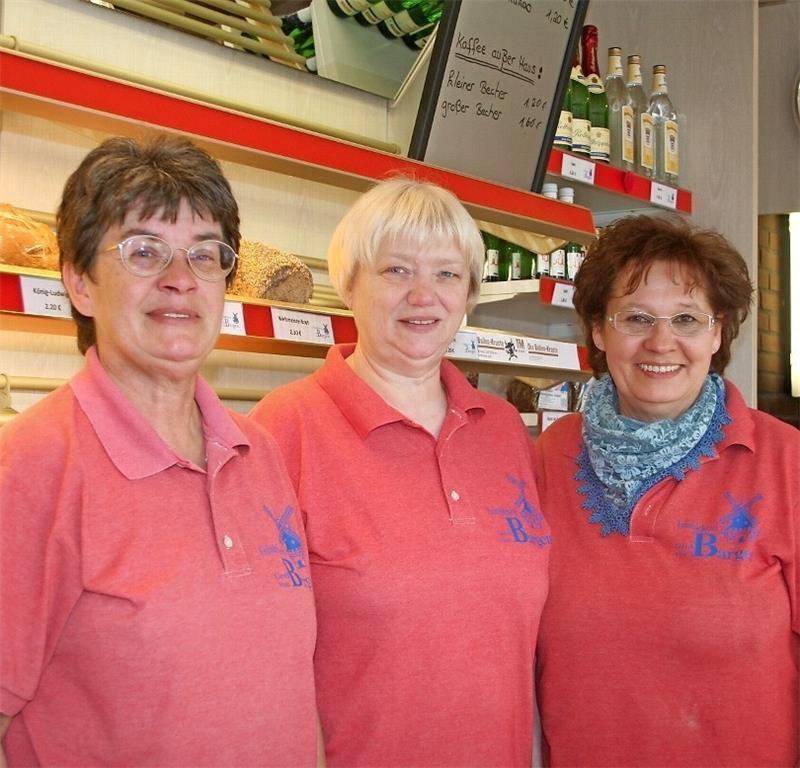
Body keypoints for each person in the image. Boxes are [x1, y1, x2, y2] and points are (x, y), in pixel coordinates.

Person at [0, 135, 321, 766]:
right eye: (144, 251)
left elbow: (290, 687)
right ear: (79, 282)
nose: (180, 280)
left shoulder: (256, 450)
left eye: (205, 256)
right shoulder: (34, 465)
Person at [250, 176, 550, 767]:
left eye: (447, 274)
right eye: (396, 271)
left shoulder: (504, 430)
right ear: (349, 284)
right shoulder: (284, 429)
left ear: (468, 294)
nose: (424, 296)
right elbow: (254, 651)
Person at [533, 214, 800, 767]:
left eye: (686, 318)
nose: (662, 342)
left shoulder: (784, 464)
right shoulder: (544, 460)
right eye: (636, 318)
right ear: (599, 332)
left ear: (717, 332)